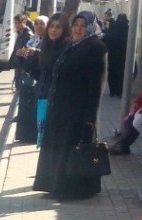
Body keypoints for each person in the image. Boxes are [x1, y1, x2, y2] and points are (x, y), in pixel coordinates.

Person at [32, 11, 107, 200]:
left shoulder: (96, 47)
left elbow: (96, 86)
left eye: (83, 25)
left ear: (90, 27)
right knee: (56, 148)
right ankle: (55, 187)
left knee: (72, 150)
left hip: (77, 112)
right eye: (76, 25)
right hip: (59, 109)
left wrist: (90, 118)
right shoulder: (73, 46)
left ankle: (73, 190)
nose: (78, 29)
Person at [27, 12, 69, 148]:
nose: (53, 30)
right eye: (51, 26)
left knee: (53, 141)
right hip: (43, 98)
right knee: (44, 140)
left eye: (58, 27)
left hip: (57, 102)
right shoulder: (46, 45)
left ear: (64, 30)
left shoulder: (67, 49)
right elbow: (40, 74)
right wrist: (31, 60)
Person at [10, 13, 36, 143]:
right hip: (20, 68)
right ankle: (20, 115)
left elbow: (29, 53)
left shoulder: (28, 35)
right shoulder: (21, 34)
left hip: (25, 69)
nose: (15, 25)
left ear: (23, 22)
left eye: (17, 23)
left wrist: (22, 54)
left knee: (25, 94)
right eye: (15, 23)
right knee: (20, 91)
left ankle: (22, 117)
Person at [103, 13, 129, 97]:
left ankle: (113, 90)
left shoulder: (112, 29)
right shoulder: (128, 29)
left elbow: (106, 39)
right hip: (123, 55)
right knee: (121, 73)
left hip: (112, 55)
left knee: (112, 72)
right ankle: (120, 91)